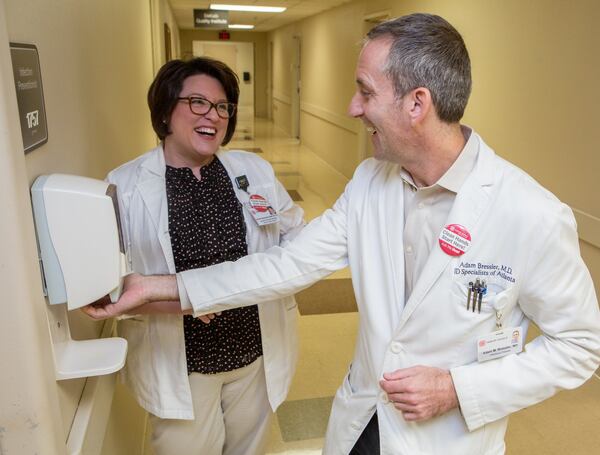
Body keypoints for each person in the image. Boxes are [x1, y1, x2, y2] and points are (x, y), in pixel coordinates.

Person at [85, 14, 600, 455]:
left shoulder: (529, 213)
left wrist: (458, 389)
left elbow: (581, 345)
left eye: (365, 91)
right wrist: (160, 287)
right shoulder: (370, 183)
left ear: (416, 103)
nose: (353, 109)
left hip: (445, 436)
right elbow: (286, 264)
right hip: (361, 419)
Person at [89, 57, 304, 455]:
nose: (214, 116)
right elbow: (106, 293)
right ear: (166, 110)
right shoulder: (124, 186)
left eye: (222, 106)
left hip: (255, 351)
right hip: (183, 365)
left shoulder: (252, 170)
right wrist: (185, 304)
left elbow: (297, 237)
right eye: (198, 103)